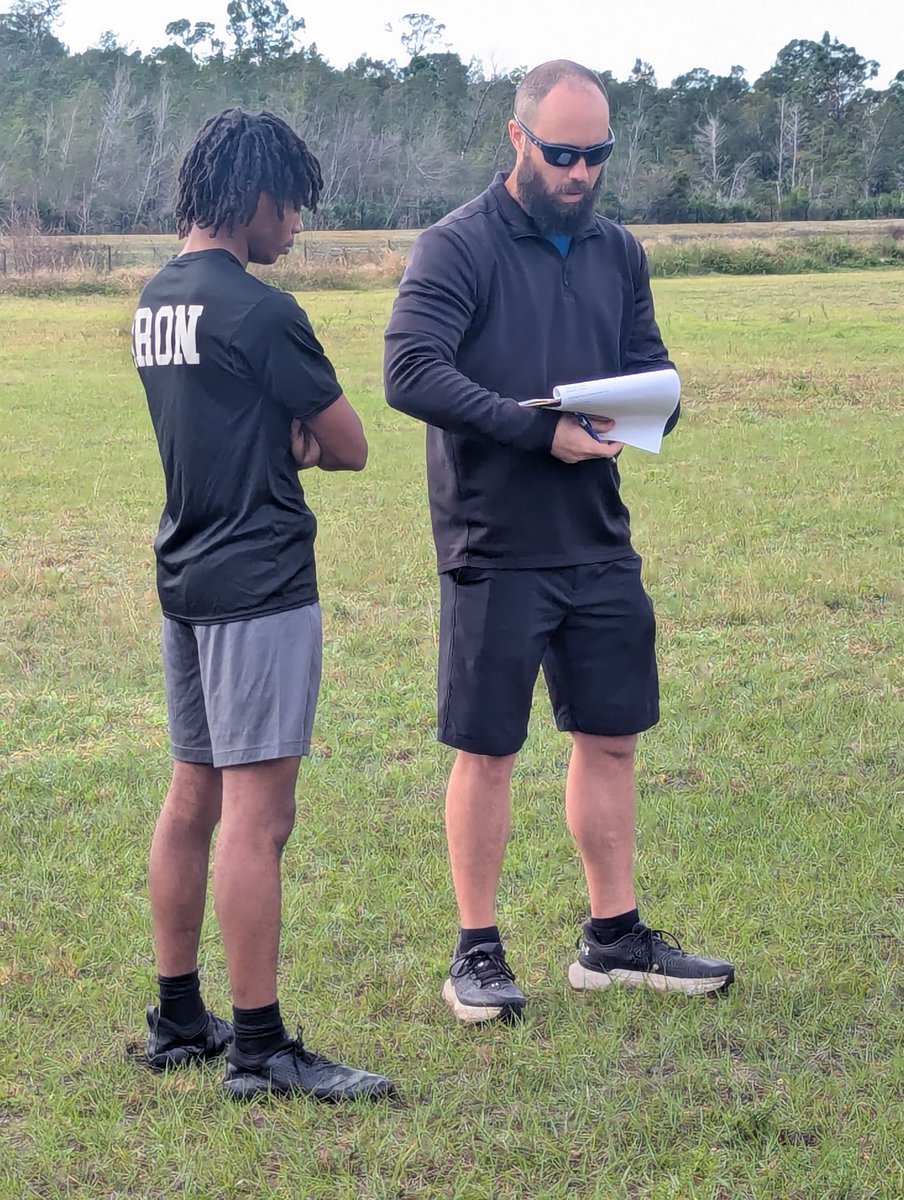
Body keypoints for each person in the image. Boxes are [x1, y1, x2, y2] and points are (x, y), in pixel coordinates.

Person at [384, 61, 734, 1024]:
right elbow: (410, 372)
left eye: (598, 156)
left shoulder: (619, 251)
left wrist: (649, 406)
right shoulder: (456, 247)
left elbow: (649, 365)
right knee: (487, 748)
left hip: (597, 539)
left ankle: (613, 938)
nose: (581, 173)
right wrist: (539, 429)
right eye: (564, 153)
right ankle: (477, 953)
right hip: (494, 541)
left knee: (610, 737)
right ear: (517, 138)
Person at [131, 108, 394, 1100]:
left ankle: (175, 1017)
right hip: (259, 584)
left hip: (186, 577)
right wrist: (302, 441)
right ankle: (260, 1048)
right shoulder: (260, 310)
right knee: (257, 815)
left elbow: (220, 425)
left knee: (191, 795)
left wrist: (278, 436)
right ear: (252, 198)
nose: (296, 228)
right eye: (291, 207)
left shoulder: (157, 299)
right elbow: (355, 443)